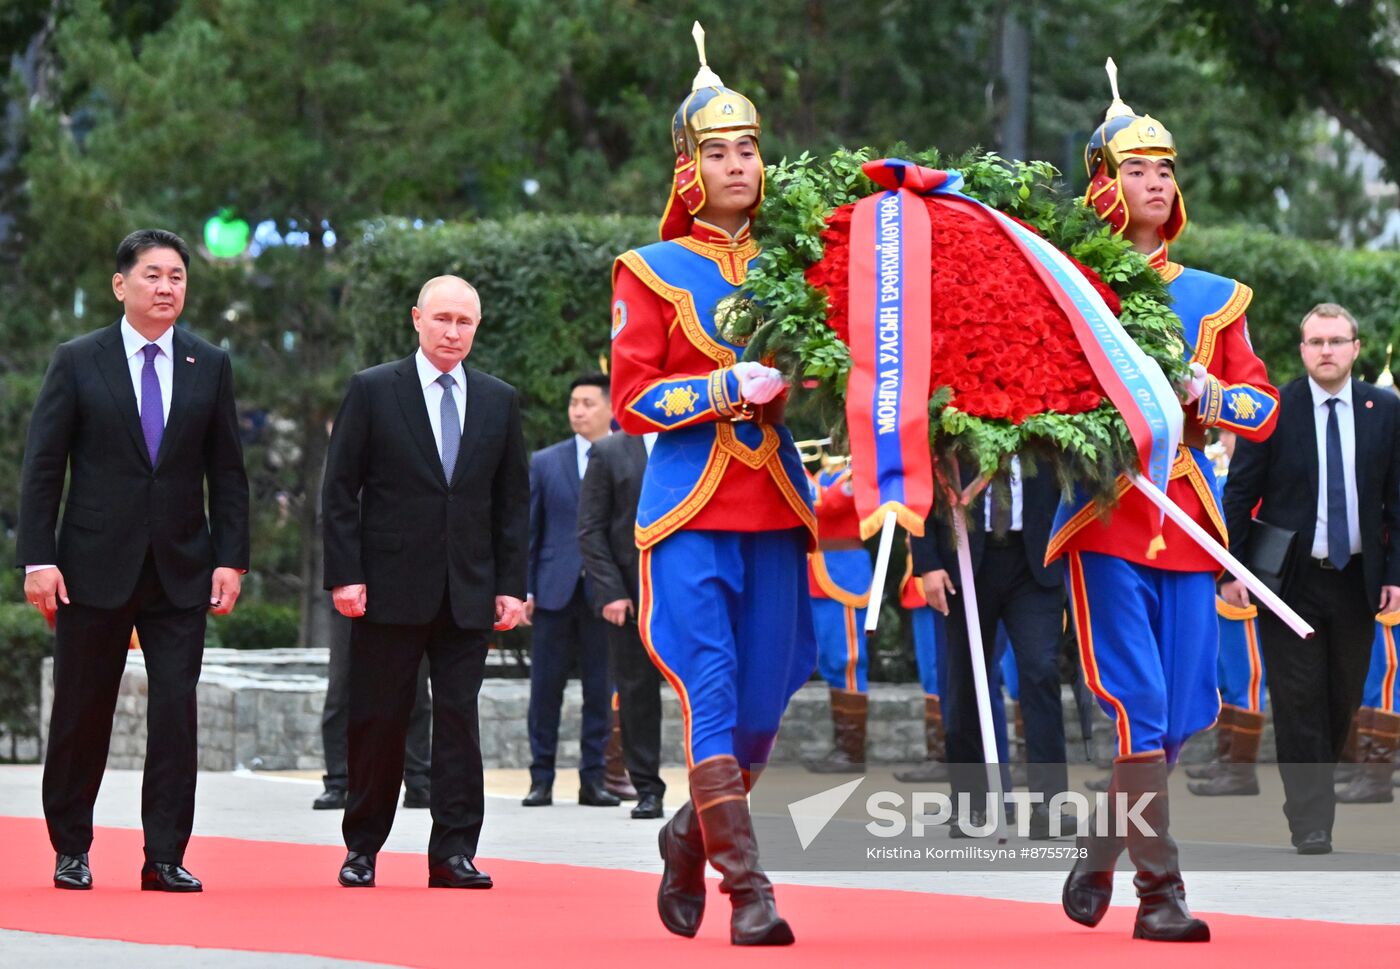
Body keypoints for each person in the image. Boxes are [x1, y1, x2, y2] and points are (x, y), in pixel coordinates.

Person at [1055, 73, 1278, 942]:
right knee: (1139, 708)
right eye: (1136, 168)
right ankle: (1160, 892)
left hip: (1189, 520)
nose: (1155, 181)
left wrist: (1210, 390)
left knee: (1187, 713)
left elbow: (1263, 411)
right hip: (1109, 514)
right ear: (1105, 184)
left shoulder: (1215, 298)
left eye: (1164, 169)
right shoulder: (1070, 287)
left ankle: (1104, 847)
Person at [609, 24, 816, 946]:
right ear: (689, 169)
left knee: (767, 707)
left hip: (775, 503)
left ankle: (688, 834)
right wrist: (721, 386)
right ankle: (750, 889)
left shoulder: (798, 267)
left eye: (748, 149)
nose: (738, 164)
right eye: (719, 151)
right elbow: (630, 398)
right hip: (691, 508)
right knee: (715, 692)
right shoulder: (647, 270)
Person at [18, 228, 250, 892]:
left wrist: (232, 557)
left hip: (182, 569)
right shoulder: (77, 360)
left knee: (176, 713)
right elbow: (43, 470)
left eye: (177, 275)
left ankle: (165, 855)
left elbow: (228, 472)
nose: (166, 287)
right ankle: (71, 845)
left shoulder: (209, 364)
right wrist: (39, 557)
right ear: (121, 284)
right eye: (153, 275)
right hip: (91, 566)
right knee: (82, 710)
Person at [321, 274, 528, 890]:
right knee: (379, 719)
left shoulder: (498, 399)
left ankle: (454, 852)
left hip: (468, 590)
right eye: (442, 319)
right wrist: (345, 575)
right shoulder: (373, 390)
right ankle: (362, 848)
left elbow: (512, 503)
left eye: (465, 322)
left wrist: (511, 586)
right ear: (417, 319)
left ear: (477, 328)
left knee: (459, 721)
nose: (453, 332)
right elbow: (339, 492)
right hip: (386, 587)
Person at [1222, 302, 1400, 851]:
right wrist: (1229, 570)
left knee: (1341, 699)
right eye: (1316, 342)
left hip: (1357, 582)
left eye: (1336, 341)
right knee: (1298, 701)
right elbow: (1239, 495)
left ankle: (1313, 798)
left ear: (1355, 349)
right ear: (1301, 351)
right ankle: (1310, 822)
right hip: (1288, 585)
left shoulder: (1386, 411)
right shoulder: (1273, 409)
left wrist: (1395, 573)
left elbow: (1396, 502)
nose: (1326, 351)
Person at [912, 456, 1073, 839]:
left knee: (1041, 671)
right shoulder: (952, 410)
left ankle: (1049, 805)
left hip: (1034, 563)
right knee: (965, 681)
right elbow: (919, 487)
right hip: (966, 561)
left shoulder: (1048, 409)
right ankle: (972, 807)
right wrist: (927, 563)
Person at [522, 373, 619, 808]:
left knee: (600, 691)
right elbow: (529, 530)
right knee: (546, 690)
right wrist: (522, 588)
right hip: (552, 591)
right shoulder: (545, 461)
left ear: (610, 408)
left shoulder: (627, 456)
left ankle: (593, 780)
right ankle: (540, 778)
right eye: (573, 403)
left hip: (605, 595)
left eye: (587, 403)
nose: (577, 410)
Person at [577, 428, 667, 819]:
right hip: (630, 596)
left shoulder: (698, 441)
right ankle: (647, 787)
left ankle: (712, 789)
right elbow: (591, 529)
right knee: (636, 692)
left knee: (705, 690)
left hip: (689, 590)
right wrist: (611, 590)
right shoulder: (610, 451)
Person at [803, 456, 875, 773]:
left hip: (843, 573)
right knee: (832, 663)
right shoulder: (826, 472)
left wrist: (790, 461)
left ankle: (852, 752)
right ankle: (843, 748)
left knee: (848, 661)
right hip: (818, 575)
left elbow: (823, 506)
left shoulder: (861, 470)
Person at [893, 551, 949, 782]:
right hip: (923, 576)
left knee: (944, 672)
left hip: (951, 573)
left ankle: (950, 756)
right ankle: (940, 754)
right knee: (931, 674)